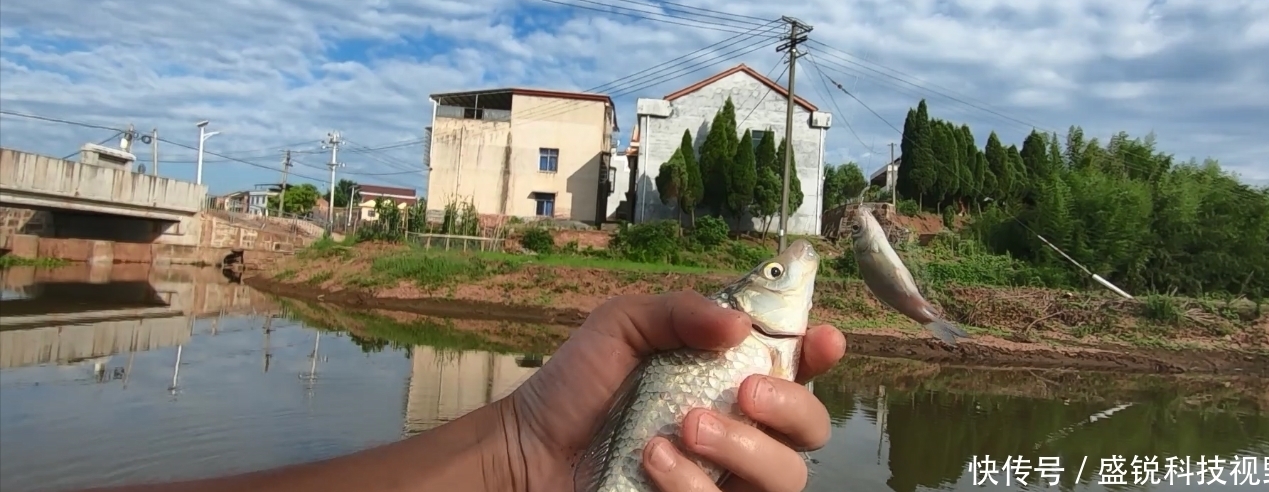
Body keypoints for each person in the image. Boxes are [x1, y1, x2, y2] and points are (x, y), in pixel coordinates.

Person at [92, 290, 847, 492]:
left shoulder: (767, 346)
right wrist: (518, 453)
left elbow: (536, 449)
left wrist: (521, 457)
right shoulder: (731, 326)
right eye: (774, 276)